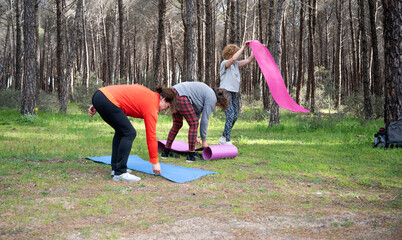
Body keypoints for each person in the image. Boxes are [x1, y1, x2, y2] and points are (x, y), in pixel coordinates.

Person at [88, 84, 176, 182]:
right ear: (163, 99)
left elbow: (124, 93)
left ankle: (116, 168)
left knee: (122, 131)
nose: (165, 110)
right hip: (106, 99)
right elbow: (151, 135)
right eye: (167, 107)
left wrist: (98, 102)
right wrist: (155, 162)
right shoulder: (152, 105)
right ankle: (120, 172)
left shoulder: (149, 95)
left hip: (100, 95)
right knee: (129, 133)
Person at [161, 82, 230, 162]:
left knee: (177, 124)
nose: (216, 106)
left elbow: (195, 115)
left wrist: (195, 135)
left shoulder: (205, 94)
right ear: (220, 102)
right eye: (219, 106)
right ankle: (191, 155)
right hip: (181, 95)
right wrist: (204, 141)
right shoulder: (212, 98)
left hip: (174, 93)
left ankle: (166, 152)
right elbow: (204, 120)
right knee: (193, 124)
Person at [218, 42, 255, 145]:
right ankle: (227, 140)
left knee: (234, 117)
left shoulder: (236, 65)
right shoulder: (225, 63)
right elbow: (233, 59)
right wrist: (243, 47)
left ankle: (223, 138)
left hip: (234, 93)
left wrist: (256, 49)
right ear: (231, 53)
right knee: (230, 115)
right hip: (225, 92)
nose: (238, 55)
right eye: (236, 52)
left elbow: (249, 60)